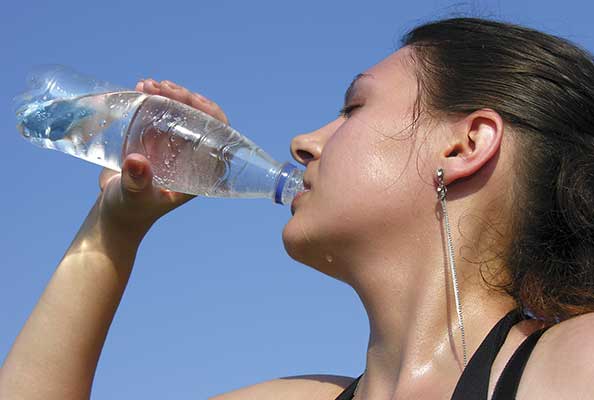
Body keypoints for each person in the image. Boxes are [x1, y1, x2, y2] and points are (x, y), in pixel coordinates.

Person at [2, 17, 594, 400]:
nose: (304, 141)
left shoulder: (572, 364)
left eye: (352, 108)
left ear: (465, 146)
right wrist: (115, 226)